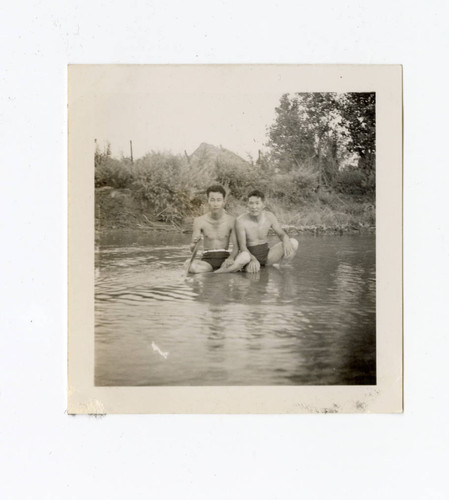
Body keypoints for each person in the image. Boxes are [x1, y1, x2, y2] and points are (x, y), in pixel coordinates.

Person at [187, 185, 250, 274]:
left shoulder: (231, 221)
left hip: (225, 260)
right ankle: (221, 273)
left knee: (245, 256)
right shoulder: (199, 221)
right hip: (207, 261)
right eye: (212, 200)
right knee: (190, 266)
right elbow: (192, 249)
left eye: (218, 200)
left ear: (223, 202)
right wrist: (194, 244)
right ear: (208, 201)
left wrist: (230, 258)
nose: (215, 204)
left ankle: (218, 272)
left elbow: (236, 248)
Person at [235, 189, 298, 273]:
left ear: (263, 205)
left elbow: (281, 233)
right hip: (249, 257)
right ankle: (251, 268)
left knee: (293, 243)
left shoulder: (269, 216)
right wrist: (253, 259)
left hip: (267, 255)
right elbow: (242, 246)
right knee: (253, 277)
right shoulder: (240, 220)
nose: (254, 207)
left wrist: (286, 241)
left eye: (257, 203)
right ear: (247, 204)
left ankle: (282, 268)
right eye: (251, 203)